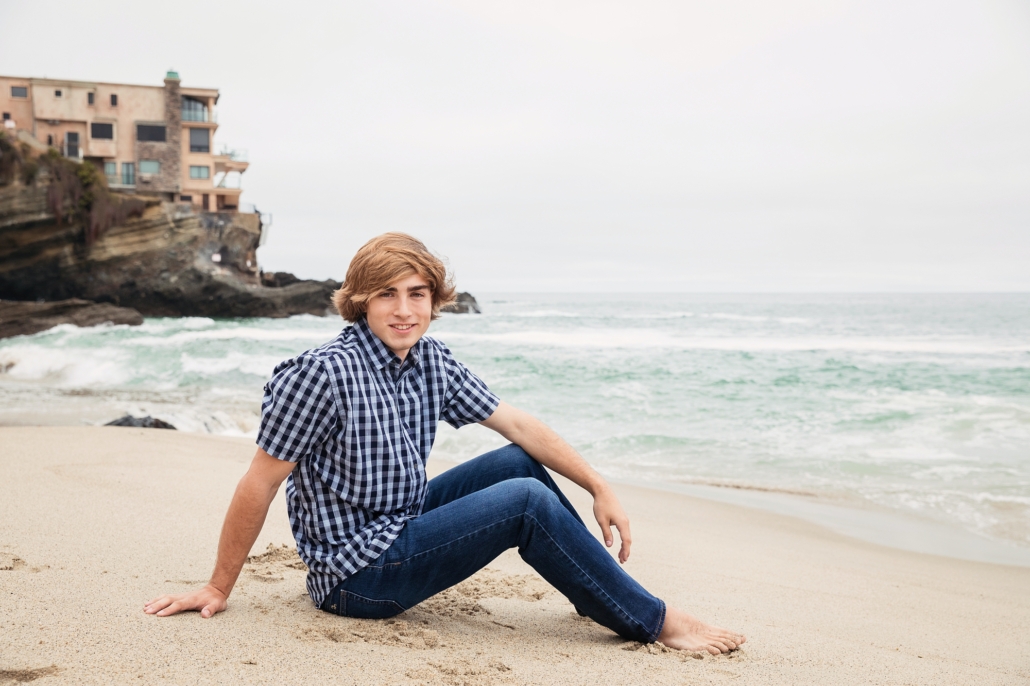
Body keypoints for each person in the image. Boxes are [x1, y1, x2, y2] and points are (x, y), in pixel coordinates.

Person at [144, 233, 745, 654]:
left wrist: (599, 484)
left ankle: (599, 595)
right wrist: (219, 585)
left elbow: (517, 425)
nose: (404, 311)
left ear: (435, 300)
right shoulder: (321, 374)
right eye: (387, 294)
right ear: (360, 301)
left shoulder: (430, 361)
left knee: (518, 463)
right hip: (357, 575)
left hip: (400, 522)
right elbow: (260, 480)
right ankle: (654, 619)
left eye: (417, 294)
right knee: (524, 504)